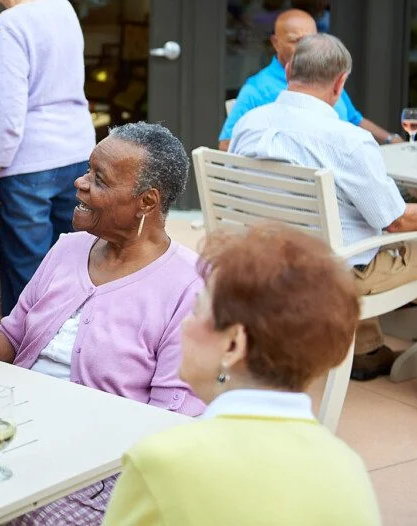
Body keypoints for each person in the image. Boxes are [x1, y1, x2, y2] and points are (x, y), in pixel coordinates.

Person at [0, 123, 205, 524]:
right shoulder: (69, 248)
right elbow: (13, 339)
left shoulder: (190, 285)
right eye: (87, 170)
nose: (79, 183)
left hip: (100, 469)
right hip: (19, 430)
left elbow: (168, 421)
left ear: (147, 201)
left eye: (99, 179)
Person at [102, 224, 381, 526]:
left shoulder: (161, 461)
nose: (184, 325)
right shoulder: (348, 469)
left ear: (233, 344)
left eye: (196, 311)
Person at [230, 34, 417, 399]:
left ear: (289, 70)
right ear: (340, 83)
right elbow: (395, 221)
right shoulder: (347, 139)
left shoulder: (249, 123)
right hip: (331, 273)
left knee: (349, 225)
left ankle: (366, 351)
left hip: (266, 259)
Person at [0, 0, 95, 317]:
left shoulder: (11, 24)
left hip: (28, 166)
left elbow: (10, 113)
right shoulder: (62, 7)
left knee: (28, 280)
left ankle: (27, 361)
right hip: (76, 152)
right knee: (74, 266)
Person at [219, 9, 401, 149]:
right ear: (275, 43)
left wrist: (390, 139)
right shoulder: (257, 88)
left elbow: (353, 118)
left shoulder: (327, 75)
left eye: (311, 40)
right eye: (295, 41)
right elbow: (226, 144)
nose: (305, 48)